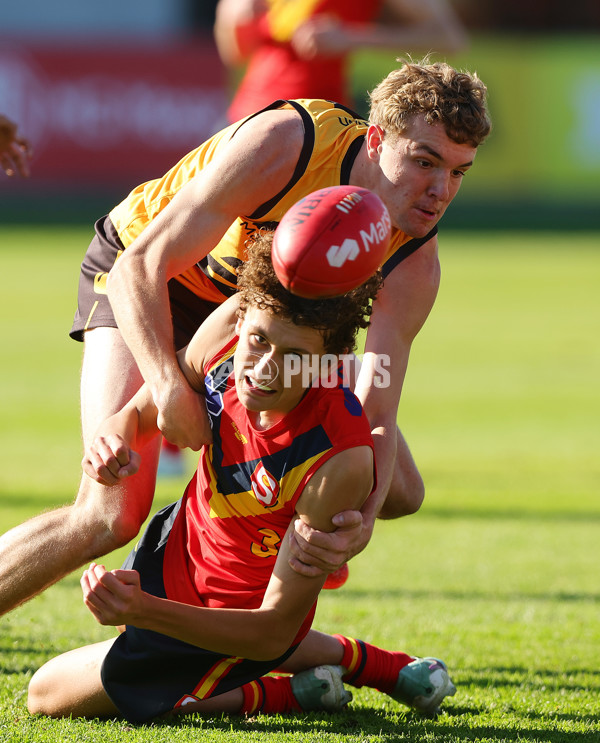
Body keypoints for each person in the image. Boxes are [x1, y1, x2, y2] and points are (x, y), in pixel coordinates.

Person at [0, 60, 491, 618]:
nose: (440, 191)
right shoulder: (288, 144)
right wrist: (167, 389)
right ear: (376, 139)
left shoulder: (414, 261)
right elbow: (141, 266)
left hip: (259, 326)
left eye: (458, 172)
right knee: (110, 515)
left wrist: (357, 525)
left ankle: (253, 643)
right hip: (153, 281)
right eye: (425, 162)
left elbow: (376, 405)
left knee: (399, 488)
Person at [26, 232, 456, 722]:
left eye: (293, 357)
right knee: (130, 650)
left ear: (327, 363)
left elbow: (272, 630)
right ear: (243, 316)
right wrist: (115, 431)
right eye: (259, 340)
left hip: (237, 620)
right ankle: (380, 667)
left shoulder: (339, 458)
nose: (265, 368)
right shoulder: (231, 323)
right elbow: (151, 407)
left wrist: (143, 610)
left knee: (47, 694)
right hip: (178, 547)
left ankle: (289, 697)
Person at [214, 0, 468, 122]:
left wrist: (349, 37)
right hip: (247, 117)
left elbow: (450, 38)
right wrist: (229, 20)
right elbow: (234, 54)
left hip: (319, 126)